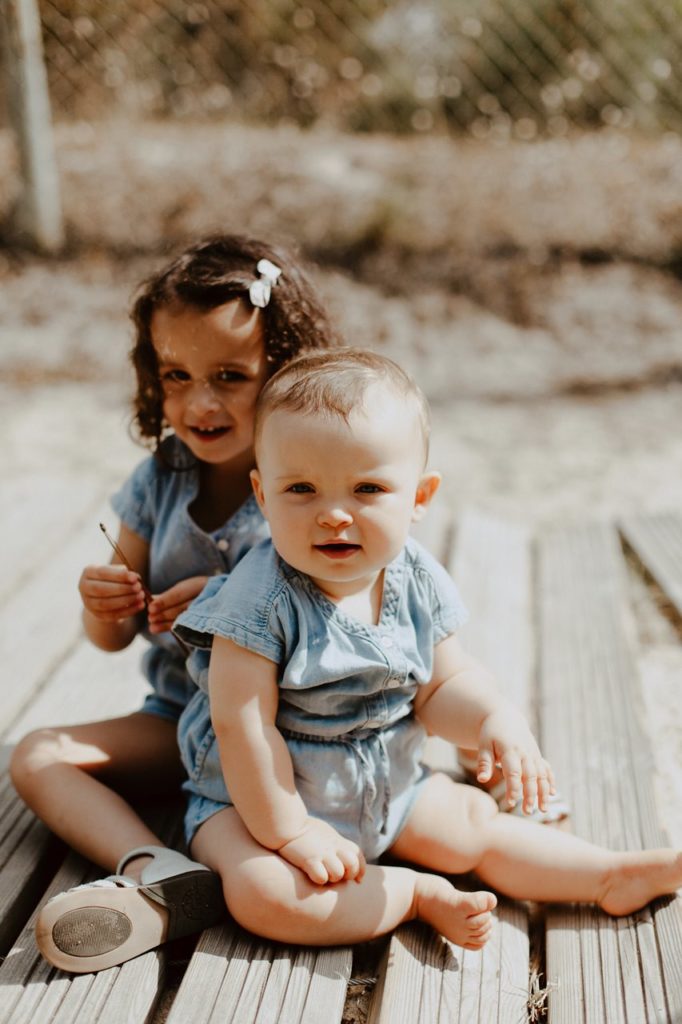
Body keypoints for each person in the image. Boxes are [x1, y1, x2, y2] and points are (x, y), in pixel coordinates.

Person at [171, 347, 682, 952]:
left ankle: (605, 874)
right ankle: (412, 894)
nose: (334, 514)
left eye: (367, 488)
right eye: (301, 489)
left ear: (418, 497)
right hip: (253, 806)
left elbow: (441, 688)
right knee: (265, 894)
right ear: (262, 495)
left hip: (387, 781)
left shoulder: (414, 576)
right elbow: (243, 727)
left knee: (474, 827)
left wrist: (494, 718)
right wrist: (291, 834)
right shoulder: (257, 603)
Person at [10, 234, 338, 973]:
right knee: (37, 756)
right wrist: (104, 601)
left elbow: (347, 613)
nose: (200, 402)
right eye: (177, 375)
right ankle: (157, 866)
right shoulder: (160, 479)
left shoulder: (310, 481)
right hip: (182, 725)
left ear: (285, 369)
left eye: (230, 375)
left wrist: (224, 602)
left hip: (294, 736)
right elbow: (111, 640)